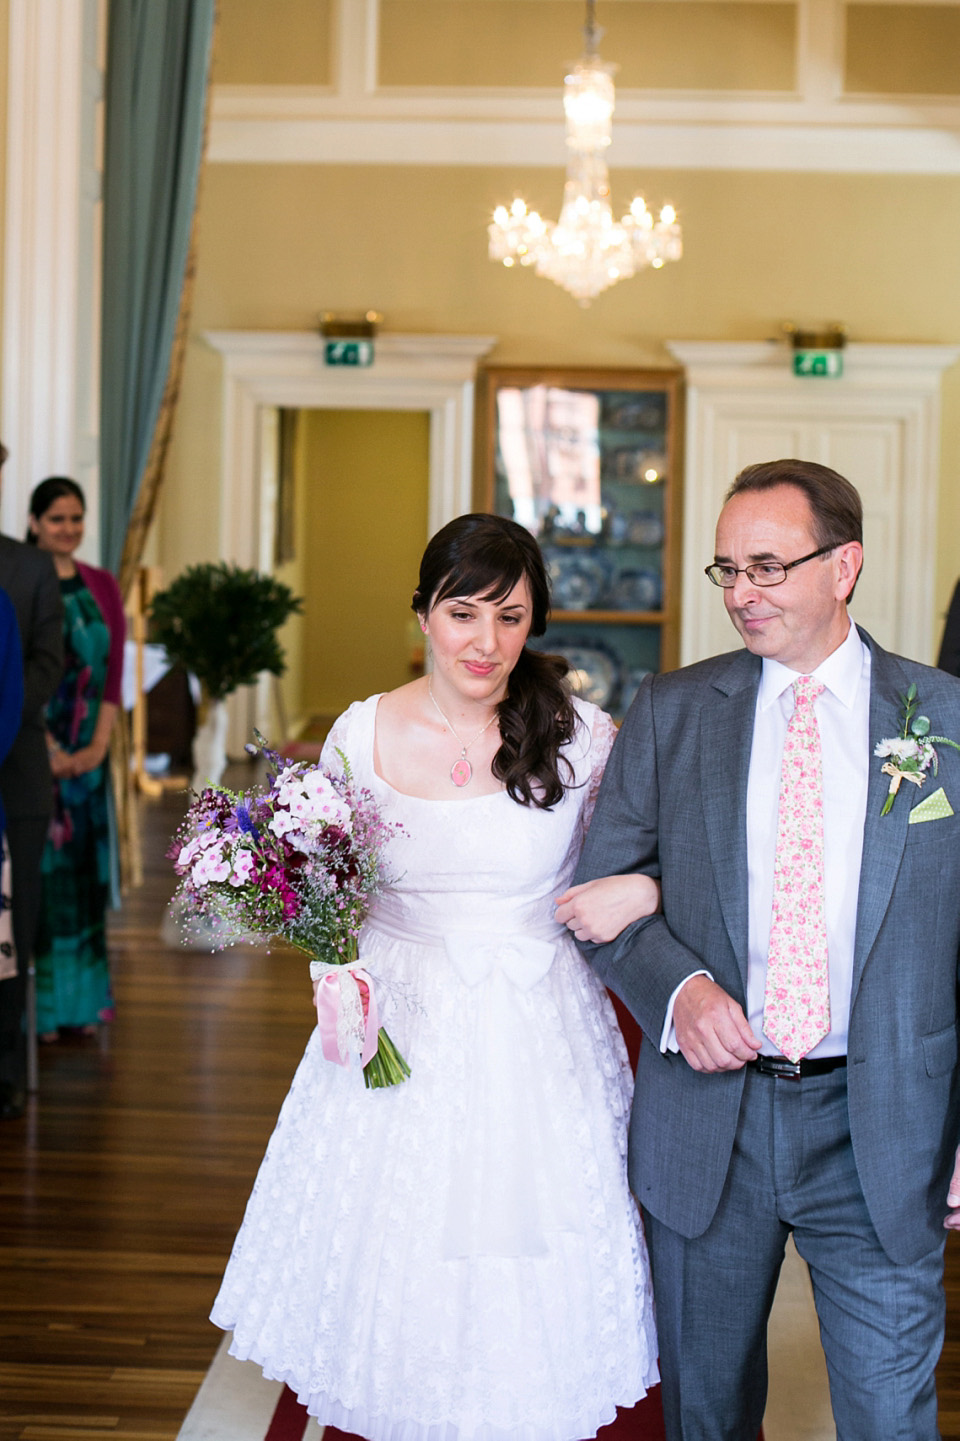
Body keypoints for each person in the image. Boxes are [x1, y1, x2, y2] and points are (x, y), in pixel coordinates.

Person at [211, 512, 661, 1441]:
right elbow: (319, 879)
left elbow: (652, 858)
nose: (486, 642)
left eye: (511, 616)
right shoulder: (360, 732)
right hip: (399, 1021)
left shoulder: (582, 736)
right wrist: (329, 955)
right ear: (423, 614)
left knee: (530, 1251)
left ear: (535, 623)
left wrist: (642, 886)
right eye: (464, 613)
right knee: (394, 1250)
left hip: (539, 1026)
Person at [574, 457, 960, 1441]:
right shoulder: (670, 709)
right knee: (705, 1415)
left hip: (887, 1128)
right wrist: (680, 990)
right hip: (713, 1122)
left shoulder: (946, 721)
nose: (741, 594)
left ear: (845, 566)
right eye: (726, 571)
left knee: (890, 1417)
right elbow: (603, 897)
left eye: (767, 567)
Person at [27, 477, 125, 1040]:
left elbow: (111, 676)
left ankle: (83, 1008)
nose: (68, 529)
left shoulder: (102, 584)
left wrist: (95, 748)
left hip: (89, 762)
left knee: (85, 884)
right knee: (41, 886)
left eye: (76, 518)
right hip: (31, 752)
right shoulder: (20, 579)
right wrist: (50, 751)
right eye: (57, 519)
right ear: (36, 522)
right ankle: (38, 1014)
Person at [0, 455, 63, 1118]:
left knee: (12, 927)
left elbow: (49, 660)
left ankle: (6, 1066)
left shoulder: (28, 567)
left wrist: (3, 710)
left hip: (13, 773)